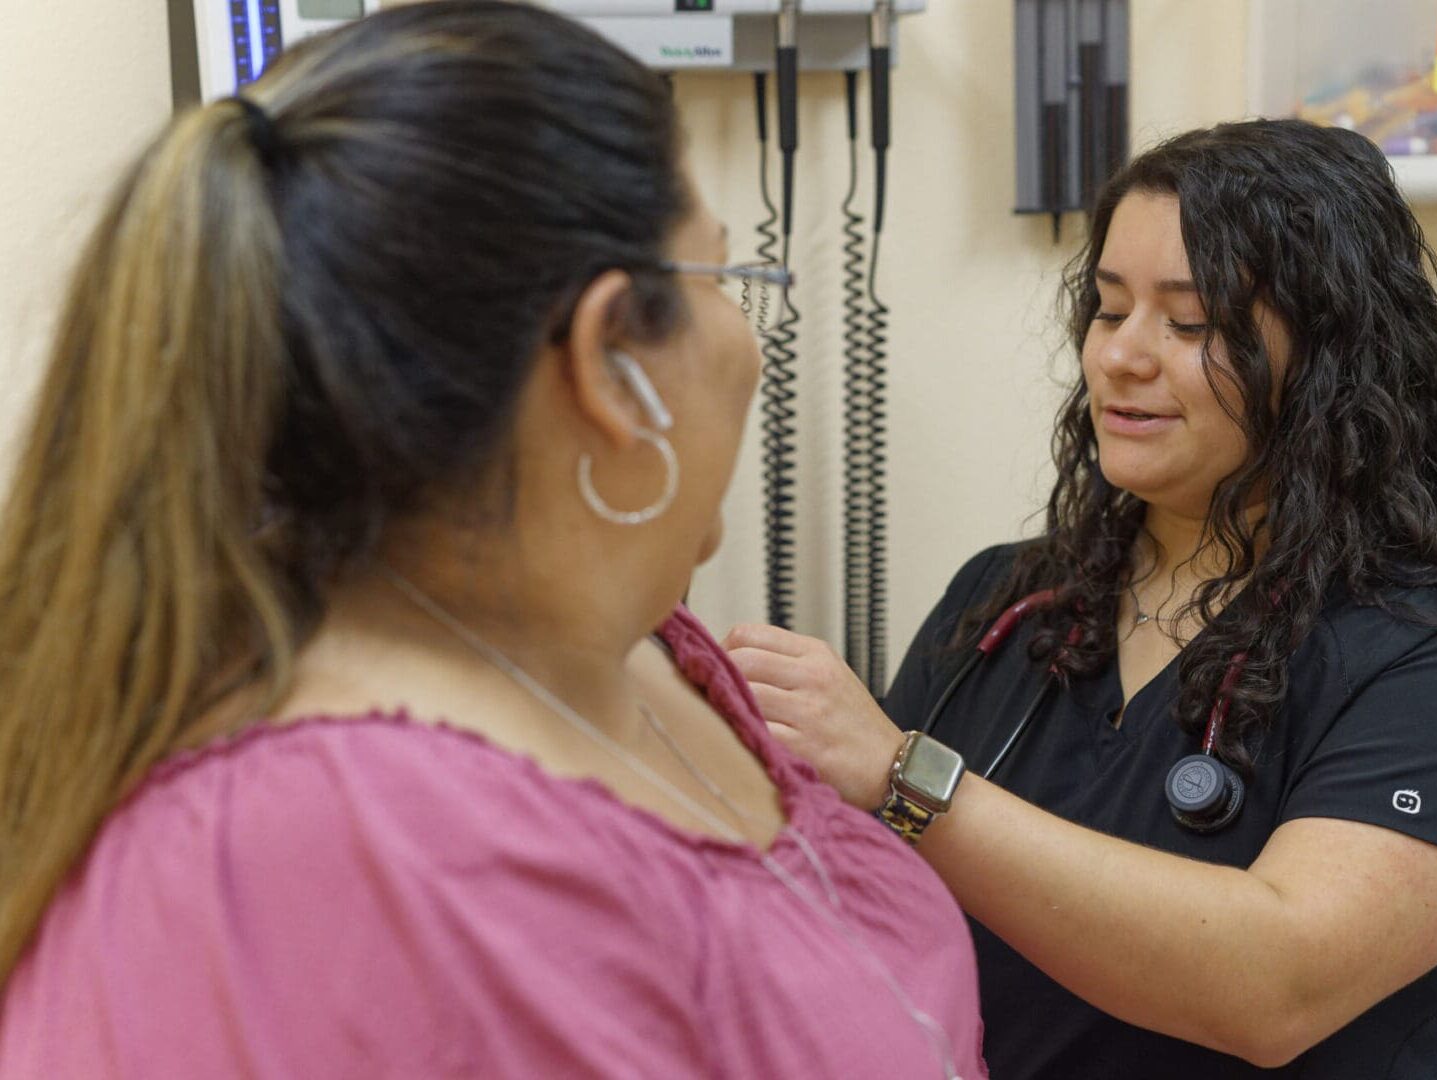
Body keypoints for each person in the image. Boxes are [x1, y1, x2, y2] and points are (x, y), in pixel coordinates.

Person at [0, 4, 986, 1077]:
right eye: (726, 280)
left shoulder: (655, 657)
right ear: (611, 361)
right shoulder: (310, 861)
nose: (748, 348)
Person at [727, 118, 1437, 1077]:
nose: (1122, 356)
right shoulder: (1008, 601)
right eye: (1111, 311)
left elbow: (1276, 986)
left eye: (1190, 323)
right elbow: (866, 908)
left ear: (1333, 360)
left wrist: (906, 775)